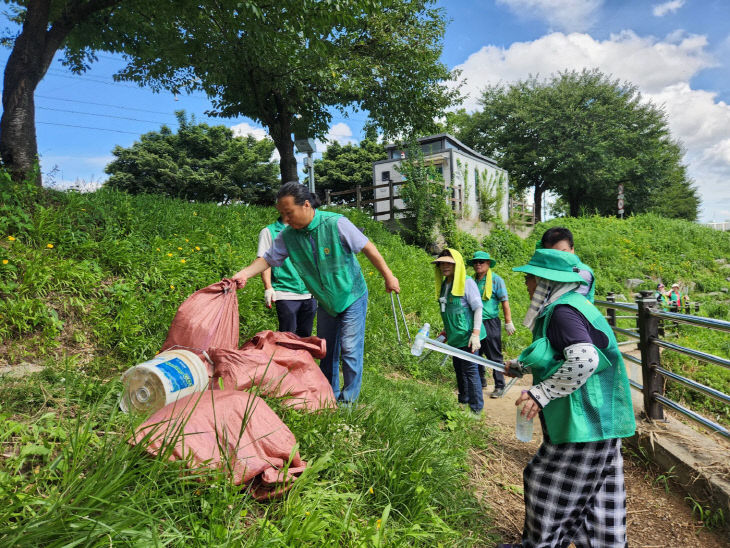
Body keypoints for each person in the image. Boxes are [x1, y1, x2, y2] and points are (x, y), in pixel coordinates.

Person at [499, 248, 635, 548]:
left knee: (545, 483)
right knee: (599, 498)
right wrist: (521, 367)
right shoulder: (571, 305)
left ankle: (541, 544)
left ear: (547, 282)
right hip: (600, 420)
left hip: (586, 422)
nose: (527, 284)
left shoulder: (563, 312)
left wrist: (542, 392)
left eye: (531, 278)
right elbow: (559, 354)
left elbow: (584, 359)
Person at [232, 182, 399, 404]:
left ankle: (348, 402)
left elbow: (368, 247)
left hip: (351, 295)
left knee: (349, 349)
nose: (286, 219)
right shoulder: (288, 236)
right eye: (282, 214)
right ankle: (329, 395)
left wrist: (389, 276)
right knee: (326, 350)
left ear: (307, 205)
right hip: (325, 301)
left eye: (289, 213)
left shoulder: (336, 223)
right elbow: (268, 259)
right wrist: (243, 274)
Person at [433, 248, 486, 415]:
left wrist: (476, 334)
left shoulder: (467, 282)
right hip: (455, 336)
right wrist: (445, 332)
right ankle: (463, 401)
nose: (445, 266)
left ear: (457, 265)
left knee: (470, 370)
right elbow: (451, 312)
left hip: (469, 336)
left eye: (449, 263)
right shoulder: (445, 285)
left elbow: (478, 308)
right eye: (442, 263)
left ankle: (476, 409)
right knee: (458, 369)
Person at [466, 251, 516, 398]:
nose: (478, 264)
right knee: (476, 352)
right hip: (475, 321)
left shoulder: (496, 280)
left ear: (488, 264)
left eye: (482, 262)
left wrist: (508, 321)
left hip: (490, 322)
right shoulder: (471, 281)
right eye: (476, 262)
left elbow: (504, 302)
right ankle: (480, 381)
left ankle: (500, 385)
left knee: (494, 354)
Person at [257, 215, 317, 337]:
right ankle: (286, 356)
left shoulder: (306, 230)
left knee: (305, 335)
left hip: (309, 292)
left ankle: (302, 357)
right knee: (288, 336)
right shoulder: (269, 232)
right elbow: (264, 261)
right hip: (285, 291)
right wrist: (268, 287)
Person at [539, 227, 595, 302]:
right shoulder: (547, 268)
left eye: (563, 252)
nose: (559, 258)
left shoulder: (582, 273)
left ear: (572, 249)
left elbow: (567, 303)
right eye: (552, 254)